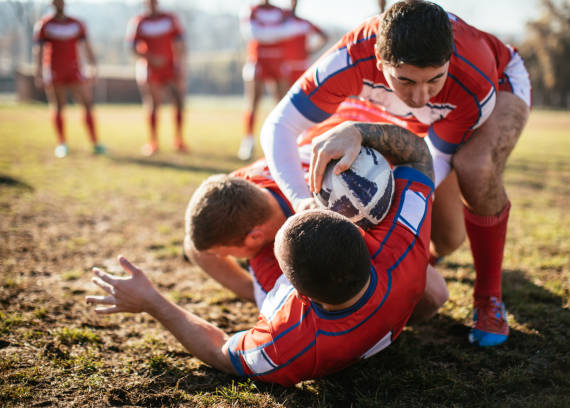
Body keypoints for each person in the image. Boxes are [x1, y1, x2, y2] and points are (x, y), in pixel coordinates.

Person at [86, 121, 448, 386]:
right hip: (391, 285)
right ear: (360, 235)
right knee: (435, 291)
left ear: (295, 292)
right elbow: (417, 154)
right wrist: (360, 132)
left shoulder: (289, 342)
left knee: (435, 290)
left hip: (320, 331)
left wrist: (152, 301)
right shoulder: (399, 245)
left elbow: (219, 352)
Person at [259, 0, 532, 346]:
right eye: (406, 81)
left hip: (501, 78)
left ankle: (488, 296)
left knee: (476, 168)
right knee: (446, 237)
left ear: (449, 59)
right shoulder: (349, 57)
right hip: (421, 107)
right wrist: (301, 201)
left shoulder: (473, 79)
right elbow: (279, 125)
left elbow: (429, 163)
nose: (420, 96)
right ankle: (424, 255)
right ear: (377, 58)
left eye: (434, 79)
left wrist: (383, 219)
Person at [237, 0, 313, 161]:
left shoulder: (281, 12)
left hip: (278, 62)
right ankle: (248, 141)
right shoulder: (250, 10)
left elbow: (295, 29)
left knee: (282, 105)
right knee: (252, 102)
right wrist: (279, 31)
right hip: (258, 60)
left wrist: (271, 32)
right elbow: (254, 33)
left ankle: (281, 143)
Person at [33, 0, 105, 158]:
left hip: (75, 70)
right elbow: (38, 50)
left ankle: (95, 142)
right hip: (54, 70)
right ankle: (62, 143)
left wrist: (93, 66)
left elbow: (87, 46)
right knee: (58, 106)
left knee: (87, 103)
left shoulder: (77, 24)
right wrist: (38, 72)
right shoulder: (44, 25)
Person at [126, 0, 187, 156]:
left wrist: (179, 63)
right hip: (150, 69)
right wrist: (151, 58)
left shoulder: (170, 19)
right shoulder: (139, 22)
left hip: (171, 67)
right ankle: (153, 142)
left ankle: (178, 140)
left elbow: (180, 42)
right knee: (153, 104)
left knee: (178, 102)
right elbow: (132, 47)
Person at [281, 0, 328, 86]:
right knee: (282, 94)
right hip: (285, 65)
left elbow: (325, 37)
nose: (293, 3)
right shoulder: (281, 22)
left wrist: (312, 51)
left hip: (301, 64)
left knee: (301, 92)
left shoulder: (305, 23)